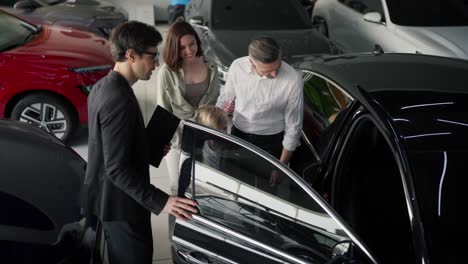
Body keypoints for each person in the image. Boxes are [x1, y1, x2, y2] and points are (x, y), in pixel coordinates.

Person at [84, 21, 198, 264]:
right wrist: (163, 201)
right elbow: (116, 168)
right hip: (122, 207)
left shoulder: (104, 86)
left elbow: (109, 146)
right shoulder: (118, 100)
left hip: (112, 201)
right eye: (152, 57)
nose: (156, 64)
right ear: (130, 55)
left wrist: (146, 146)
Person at [216, 36, 304, 184]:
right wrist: (222, 114)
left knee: (268, 193)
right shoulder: (237, 67)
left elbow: (294, 127)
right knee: (238, 187)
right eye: (269, 71)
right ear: (252, 63)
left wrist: (281, 166)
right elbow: (224, 98)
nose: (275, 74)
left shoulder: (293, 79)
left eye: (278, 67)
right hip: (239, 137)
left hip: (271, 144)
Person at [156, 20, 220, 194]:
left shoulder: (211, 65)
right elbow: (163, 109)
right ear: (174, 49)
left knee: (206, 186)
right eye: (182, 48)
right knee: (177, 186)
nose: (189, 51)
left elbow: (214, 101)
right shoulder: (167, 72)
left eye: (192, 44)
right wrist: (160, 144)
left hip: (205, 134)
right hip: (178, 136)